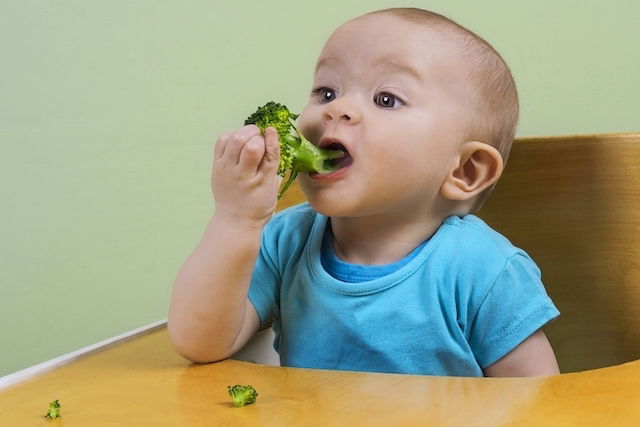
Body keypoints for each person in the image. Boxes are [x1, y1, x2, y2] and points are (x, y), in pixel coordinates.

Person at [168, 7, 560, 377]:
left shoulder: (483, 270)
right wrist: (235, 219)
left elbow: (537, 400)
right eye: (326, 91)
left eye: (386, 99)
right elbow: (199, 343)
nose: (337, 109)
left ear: (464, 170)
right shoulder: (285, 242)